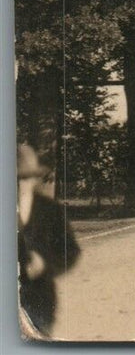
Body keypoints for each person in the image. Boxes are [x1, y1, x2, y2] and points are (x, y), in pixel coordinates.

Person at [17, 144, 79, 338]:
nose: (19, 185)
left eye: (24, 178)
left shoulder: (50, 211)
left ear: (34, 179)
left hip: (38, 300)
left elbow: (70, 250)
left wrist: (45, 264)